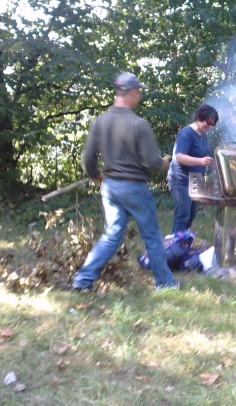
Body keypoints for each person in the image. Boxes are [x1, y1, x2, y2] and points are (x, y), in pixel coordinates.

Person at [72, 73, 178, 291]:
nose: (140, 96)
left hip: (109, 188)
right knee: (152, 237)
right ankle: (165, 284)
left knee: (112, 235)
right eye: (139, 91)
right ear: (131, 92)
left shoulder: (100, 122)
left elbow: (87, 159)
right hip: (134, 188)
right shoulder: (139, 125)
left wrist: (95, 174)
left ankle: (82, 281)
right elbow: (150, 161)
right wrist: (165, 163)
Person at [167, 104, 219, 233]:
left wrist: (212, 163)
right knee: (182, 216)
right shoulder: (186, 133)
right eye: (208, 123)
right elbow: (179, 157)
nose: (210, 127)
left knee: (191, 215)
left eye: (213, 124)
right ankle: (174, 247)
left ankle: (184, 243)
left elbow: (202, 154)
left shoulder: (203, 135)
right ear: (199, 118)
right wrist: (200, 161)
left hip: (195, 181)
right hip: (181, 180)